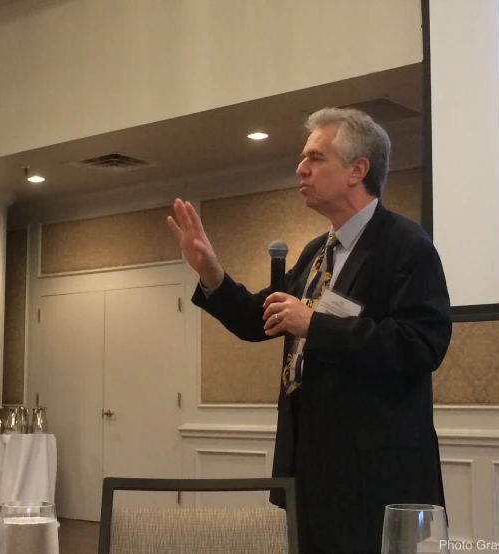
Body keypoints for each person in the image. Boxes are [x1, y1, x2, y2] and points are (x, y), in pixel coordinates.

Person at [166, 107, 452, 554]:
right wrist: (213, 275)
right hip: (311, 472)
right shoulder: (319, 251)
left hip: (377, 478)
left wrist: (314, 325)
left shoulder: (406, 246)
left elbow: (421, 345)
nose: (300, 168)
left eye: (315, 158)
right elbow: (265, 316)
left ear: (358, 169)